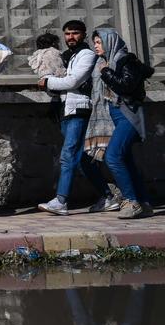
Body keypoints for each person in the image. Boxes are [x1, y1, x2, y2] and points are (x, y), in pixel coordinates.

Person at [37, 20, 113, 216]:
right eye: (68, 33)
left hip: (79, 110)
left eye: (75, 33)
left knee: (68, 154)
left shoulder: (86, 55)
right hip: (66, 110)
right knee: (82, 160)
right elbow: (64, 84)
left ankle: (61, 201)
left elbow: (73, 81)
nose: (71, 37)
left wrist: (48, 81)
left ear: (83, 34)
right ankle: (108, 197)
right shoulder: (70, 56)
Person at [86, 27, 154, 220]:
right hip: (116, 116)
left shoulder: (125, 61)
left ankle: (131, 202)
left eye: (99, 42)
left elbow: (126, 85)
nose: (96, 46)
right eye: (95, 42)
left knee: (113, 157)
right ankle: (144, 203)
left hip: (128, 115)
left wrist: (106, 72)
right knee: (126, 160)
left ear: (110, 42)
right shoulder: (104, 62)